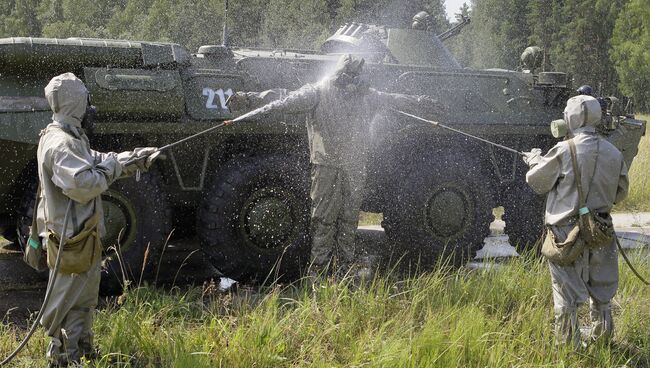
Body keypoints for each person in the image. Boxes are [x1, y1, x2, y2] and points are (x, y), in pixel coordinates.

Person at [226, 54, 437, 278]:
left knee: (348, 221)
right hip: (327, 167)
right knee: (324, 221)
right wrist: (248, 99)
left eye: (357, 75)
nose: (353, 79)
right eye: (350, 74)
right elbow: (281, 99)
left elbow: (394, 100)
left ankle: (344, 273)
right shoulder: (317, 92)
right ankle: (319, 275)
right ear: (339, 73)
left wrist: (422, 104)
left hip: (353, 167)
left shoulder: (366, 95)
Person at [37, 73, 160, 367]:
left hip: (83, 237)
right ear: (74, 102)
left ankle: (81, 349)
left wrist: (131, 159)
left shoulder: (69, 137)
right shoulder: (61, 143)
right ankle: (63, 357)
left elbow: (95, 158)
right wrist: (114, 168)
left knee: (83, 300)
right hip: (71, 239)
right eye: (86, 101)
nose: (90, 108)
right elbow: (84, 184)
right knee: (67, 303)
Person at [522, 95, 628, 346]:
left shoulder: (563, 150)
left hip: (565, 235)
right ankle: (602, 342)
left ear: (571, 118)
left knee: (566, 294)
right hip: (600, 229)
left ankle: (569, 348)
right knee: (602, 291)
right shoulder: (614, 153)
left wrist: (535, 159)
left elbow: (536, 181)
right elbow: (621, 192)